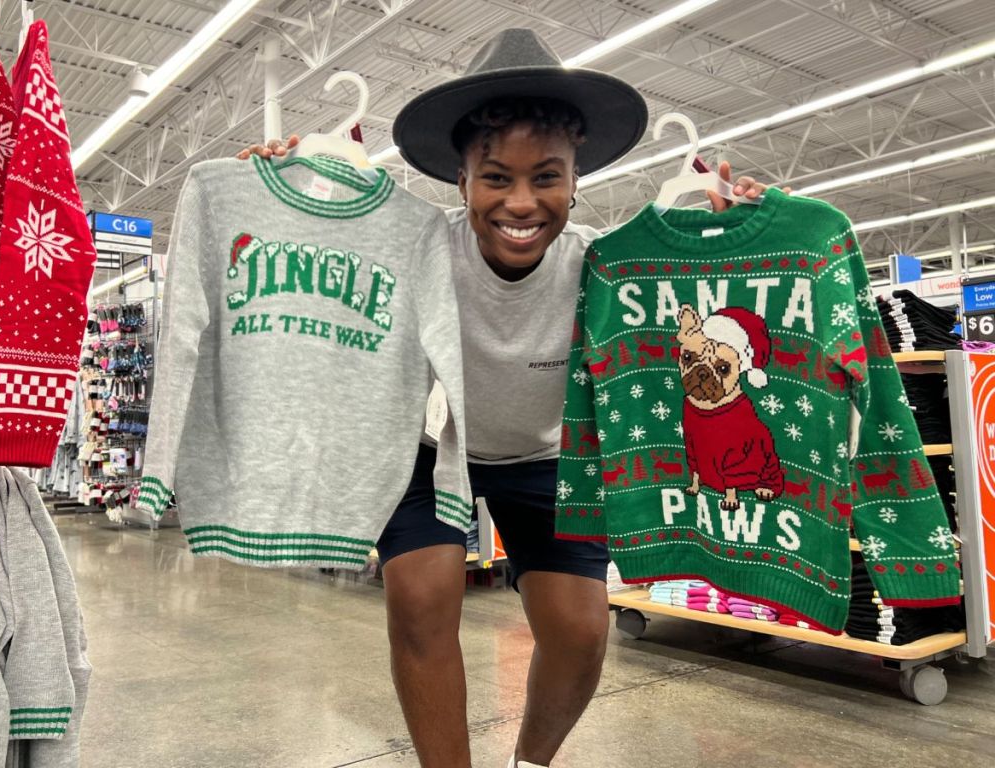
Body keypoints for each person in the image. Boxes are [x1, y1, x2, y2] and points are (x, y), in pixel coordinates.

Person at [240, 29, 775, 768]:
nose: (521, 202)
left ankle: (530, 763)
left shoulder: (603, 266)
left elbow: (710, 291)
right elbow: (312, 247)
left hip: (548, 458)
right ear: (460, 182)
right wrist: (272, 191)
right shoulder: (417, 248)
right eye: (495, 178)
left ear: (575, 179)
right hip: (436, 452)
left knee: (583, 633)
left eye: (546, 177)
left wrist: (739, 227)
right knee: (420, 605)